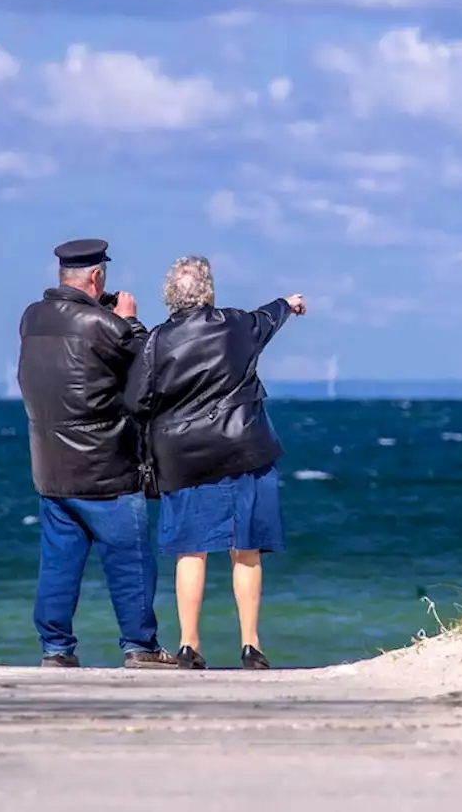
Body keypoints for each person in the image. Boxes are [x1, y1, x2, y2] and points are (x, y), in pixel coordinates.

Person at [124, 255, 305, 671]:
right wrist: (288, 303)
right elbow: (268, 318)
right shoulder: (235, 324)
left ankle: (188, 645)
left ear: (171, 294)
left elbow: (135, 401)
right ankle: (250, 645)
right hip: (245, 449)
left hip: (183, 458)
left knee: (191, 551)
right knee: (246, 550)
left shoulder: (156, 341)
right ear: (208, 291)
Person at [17, 238, 176, 670]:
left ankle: (55, 649)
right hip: (106, 465)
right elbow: (148, 363)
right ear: (97, 276)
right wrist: (130, 320)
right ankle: (140, 646)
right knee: (130, 563)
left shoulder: (32, 318)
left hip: (51, 467)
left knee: (59, 566)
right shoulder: (104, 326)